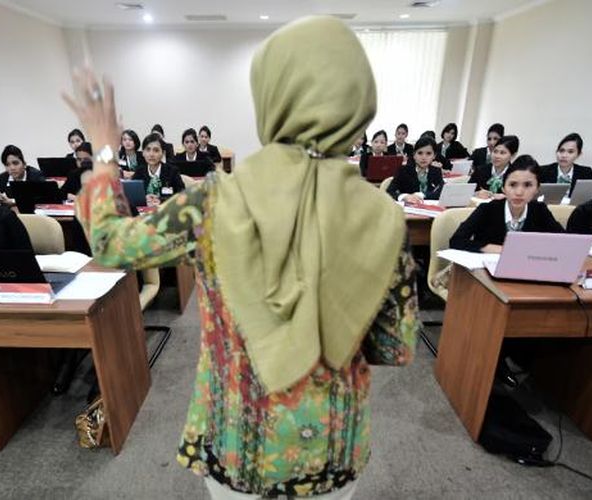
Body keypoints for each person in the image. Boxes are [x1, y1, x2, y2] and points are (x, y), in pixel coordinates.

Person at [64, 15, 416, 499]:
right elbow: (394, 346)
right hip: (334, 446)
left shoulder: (213, 203)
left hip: (237, 442)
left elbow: (109, 241)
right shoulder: (385, 217)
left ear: (270, 95)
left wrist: (104, 150)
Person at [450, 155, 564, 253]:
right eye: (513, 185)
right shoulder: (488, 209)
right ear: (503, 188)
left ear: (537, 189)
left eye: (528, 185)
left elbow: (566, 241)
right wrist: (498, 249)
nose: (519, 192)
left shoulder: (540, 210)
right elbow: (456, 241)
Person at [133, 133, 185, 206]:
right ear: (143, 153)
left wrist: (161, 200)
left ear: (163, 153)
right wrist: (144, 199)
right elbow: (132, 197)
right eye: (148, 150)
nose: (151, 154)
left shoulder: (172, 171)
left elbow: (182, 194)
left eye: (156, 150)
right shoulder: (139, 172)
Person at [387, 137, 444, 202]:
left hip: (431, 209)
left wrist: (422, 195)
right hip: (408, 208)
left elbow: (441, 191)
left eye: (428, 153)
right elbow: (389, 191)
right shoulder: (403, 170)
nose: (424, 157)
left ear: (434, 156)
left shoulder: (436, 171)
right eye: (420, 153)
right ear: (414, 155)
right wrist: (404, 197)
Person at [469, 135, 519, 199]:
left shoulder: (516, 175)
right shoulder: (480, 170)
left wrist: (506, 198)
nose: (497, 156)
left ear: (513, 155)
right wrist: (476, 193)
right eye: (495, 151)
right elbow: (466, 192)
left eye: (502, 153)